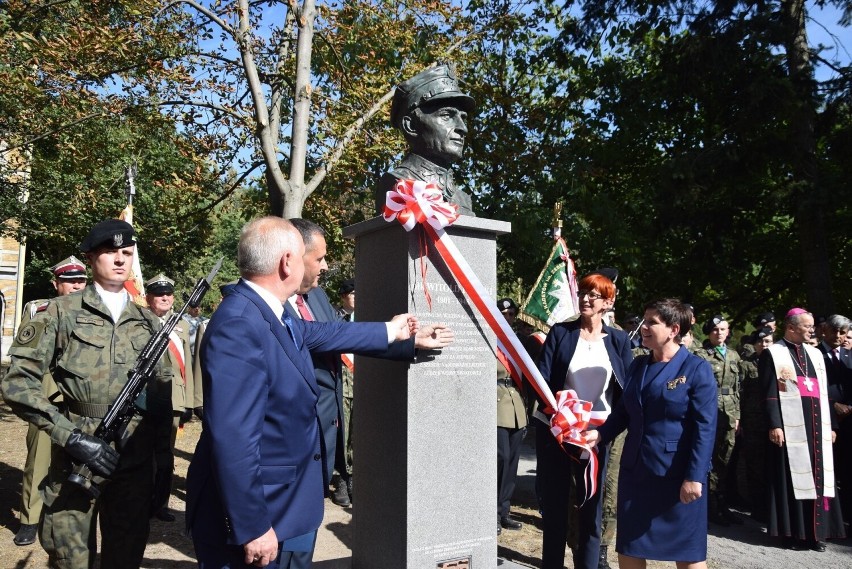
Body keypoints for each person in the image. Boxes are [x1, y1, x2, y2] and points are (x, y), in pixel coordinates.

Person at [185, 216, 452, 569]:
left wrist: (395, 334)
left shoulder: (273, 311)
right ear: (287, 262)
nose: (323, 266)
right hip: (264, 515)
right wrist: (252, 526)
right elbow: (233, 437)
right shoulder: (240, 322)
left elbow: (324, 334)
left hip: (289, 505)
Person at [1, 219, 173, 569]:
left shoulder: (148, 322)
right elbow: (17, 383)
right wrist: (71, 437)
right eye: (111, 252)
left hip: (133, 460)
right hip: (75, 455)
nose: (121, 259)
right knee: (70, 558)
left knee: (125, 555)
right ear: (92, 258)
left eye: (127, 252)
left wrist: (158, 464)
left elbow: (160, 397)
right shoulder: (60, 313)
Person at [585, 298, 717, 569]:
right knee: (630, 545)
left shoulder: (696, 369)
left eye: (651, 323)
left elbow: (705, 428)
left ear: (674, 330)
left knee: (688, 551)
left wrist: (694, 477)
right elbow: (623, 412)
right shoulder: (638, 366)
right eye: (644, 321)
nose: (643, 327)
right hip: (637, 472)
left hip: (677, 475)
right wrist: (599, 435)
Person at [535, 273, 633, 569]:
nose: (586, 299)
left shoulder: (618, 340)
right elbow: (541, 380)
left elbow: (625, 392)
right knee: (555, 508)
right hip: (559, 429)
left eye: (594, 294)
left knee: (592, 510)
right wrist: (561, 416)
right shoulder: (561, 333)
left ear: (608, 302)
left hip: (596, 435)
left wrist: (606, 431)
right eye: (583, 293)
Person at [12, 256, 87, 547]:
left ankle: (69, 516)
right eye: (69, 281)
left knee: (81, 459)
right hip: (48, 396)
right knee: (39, 458)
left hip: (83, 399)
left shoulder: (97, 312)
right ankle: (30, 519)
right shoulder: (40, 310)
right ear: (56, 284)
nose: (75, 286)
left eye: (80, 280)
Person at [761, 308, 846, 551]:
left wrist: (832, 425)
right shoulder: (774, 354)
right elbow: (769, 394)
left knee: (820, 477)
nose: (813, 330)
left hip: (817, 427)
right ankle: (794, 533)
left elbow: (824, 393)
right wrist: (775, 424)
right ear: (791, 327)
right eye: (807, 326)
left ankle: (817, 534)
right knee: (793, 479)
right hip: (791, 428)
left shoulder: (815, 354)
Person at [376, 63, 476, 215]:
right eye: (446, 116)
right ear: (410, 125)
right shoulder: (398, 184)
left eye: (463, 118)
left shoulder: (462, 199)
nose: (463, 128)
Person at [144, 272, 195, 523]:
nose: (164, 298)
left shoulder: (181, 325)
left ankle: (160, 503)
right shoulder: (138, 322)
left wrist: (190, 402)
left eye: (168, 294)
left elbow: (189, 363)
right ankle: (140, 501)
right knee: (141, 452)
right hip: (142, 397)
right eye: (158, 294)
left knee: (165, 454)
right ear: (148, 297)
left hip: (174, 398)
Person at [695, 315, 742, 525]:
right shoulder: (700, 355)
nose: (719, 333)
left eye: (723, 329)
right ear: (708, 332)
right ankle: (710, 506)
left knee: (726, 457)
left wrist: (738, 416)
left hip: (730, 412)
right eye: (715, 330)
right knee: (709, 457)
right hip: (710, 410)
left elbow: (738, 388)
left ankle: (722, 504)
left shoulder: (733, 355)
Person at [495, 298, 527, 534]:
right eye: (503, 313)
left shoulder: (516, 343)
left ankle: (504, 511)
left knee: (512, 462)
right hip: (496, 405)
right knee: (501, 459)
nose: (507, 317)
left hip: (516, 406)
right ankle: (491, 513)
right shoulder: (488, 340)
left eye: (511, 314)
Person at [817, 314, 852, 524]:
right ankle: (827, 519)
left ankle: (846, 518)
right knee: (826, 471)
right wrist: (833, 405)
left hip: (848, 422)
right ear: (824, 330)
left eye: (843, 332)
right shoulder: (813, 355)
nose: (838, 336)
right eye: (834, 331)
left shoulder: (849, 356)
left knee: (847, 471)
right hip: (824, 419)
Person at [738, 326, 774, 521]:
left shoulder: (779, 363)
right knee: (754, 465)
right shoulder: (746, 365)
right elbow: (739, 394)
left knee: (772, 465)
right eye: (760, 341)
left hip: (774, 421)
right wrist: (740, 420)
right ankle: (758, 507)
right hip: (753, 422)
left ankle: (772, 507)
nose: (764, 345)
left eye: (768, 341)